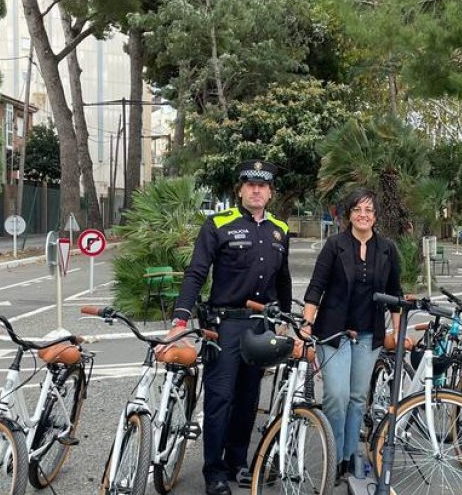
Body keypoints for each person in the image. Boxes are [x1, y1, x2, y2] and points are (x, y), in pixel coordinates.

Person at [165, 160, 292, 495]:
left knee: (248, 398)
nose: (256, 190)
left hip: (261, 327)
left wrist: (285, 321)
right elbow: (196, 273)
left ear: (270, 192)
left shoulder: (280, 229)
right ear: (240, 190)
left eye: (262, 185)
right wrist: (180, 318)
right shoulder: (218, 224)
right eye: (250, 184)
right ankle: (214, 470)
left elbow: (283, 280)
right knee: (220, 398)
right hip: (225, 326)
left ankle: (237, 461)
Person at [301, 188, 403, 483]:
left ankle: (347, 459)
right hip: (334, 333)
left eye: (369, 210)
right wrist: (307, 324)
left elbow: (395, 294)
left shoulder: (386, 249)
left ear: (375, 216)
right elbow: (316, 287)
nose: (363, 215)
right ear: (348, 214)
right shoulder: (335, 245)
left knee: (358, 398)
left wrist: (397, 332)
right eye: (358, 209)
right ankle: (332, 455)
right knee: (336, 395)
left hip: (369, 334)